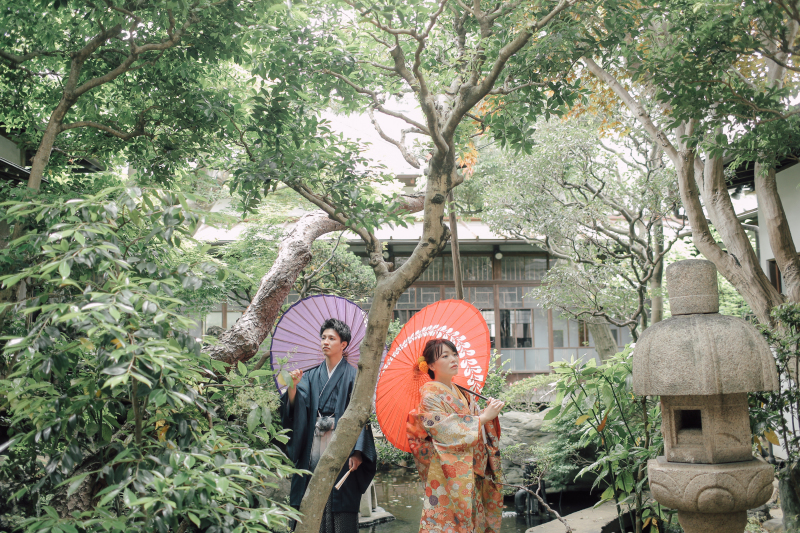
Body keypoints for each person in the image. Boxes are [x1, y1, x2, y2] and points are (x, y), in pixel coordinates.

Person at [280, 318, 377, 533]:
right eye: (323, 337)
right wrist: (293, 389)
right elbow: (295, 412)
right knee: (308, 494)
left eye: (331, 338)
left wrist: (358, 452)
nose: (325, 342)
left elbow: (361, 416)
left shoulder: (355, 376)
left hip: (341, 445)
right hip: (312, 445)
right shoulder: (311, 375)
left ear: (343, 344)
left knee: (339, 500)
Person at [406, 338, 505, 533]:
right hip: (448, 471)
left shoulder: (462, 392)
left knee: (473, 522)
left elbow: (476, 423)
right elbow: (443, 430)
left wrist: (488, 412)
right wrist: (483, 418)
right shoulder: (430, 396)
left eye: (454, 354)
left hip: (471, 468)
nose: (453, 359)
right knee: (449, 522)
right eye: (445, 356)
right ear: (431, 365)